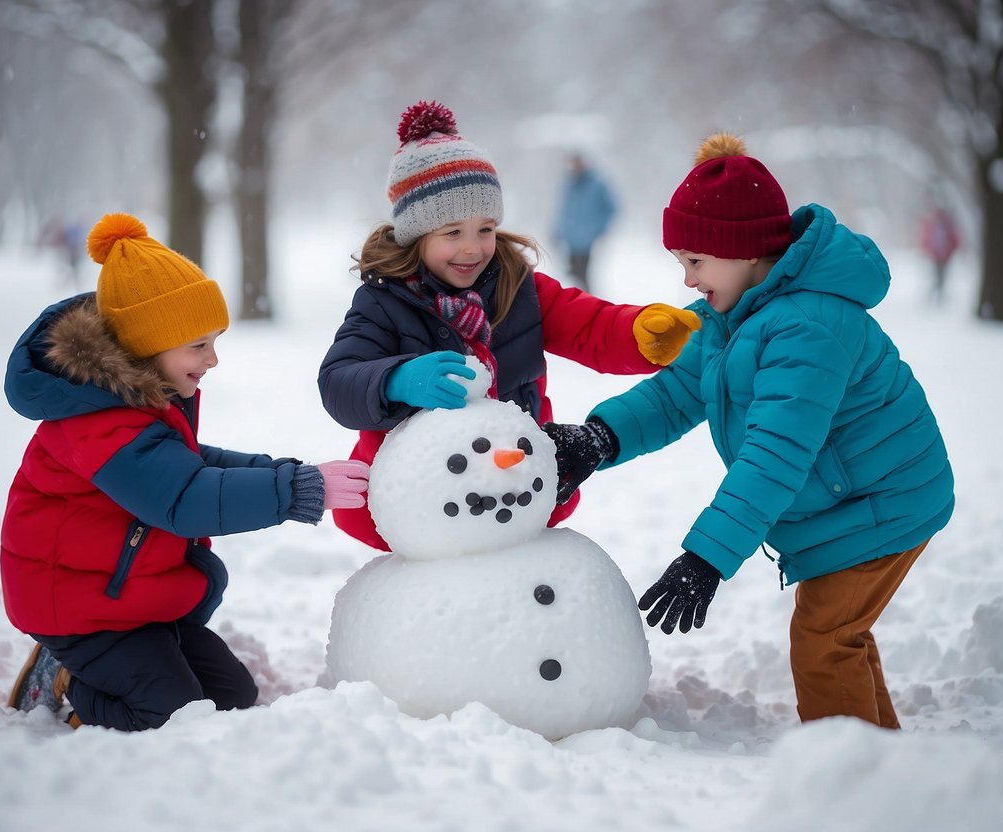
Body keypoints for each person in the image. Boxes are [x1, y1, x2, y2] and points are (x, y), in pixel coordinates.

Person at [545, 134, 954, 729]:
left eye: (694, 262)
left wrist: (706, 558)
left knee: (824, 637)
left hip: (884, 503)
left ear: (742, 253)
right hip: (856, 498)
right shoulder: (730, 317)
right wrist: (600, 438)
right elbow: (674, 393)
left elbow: (774, 456)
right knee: (839, 633)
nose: (686, 281)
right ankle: (876, 759)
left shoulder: (806, 328)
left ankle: (849, 778)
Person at [1, 213, 369, 731]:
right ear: (147, 345)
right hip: (80, 612)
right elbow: (182, 496)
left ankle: (118, 669)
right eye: (198, 345)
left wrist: (295, 474)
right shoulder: (95, 421)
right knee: (165, 713)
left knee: (232, 697)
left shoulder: (142, 399)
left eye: (214, 340)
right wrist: (297, 491)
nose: (213, 359)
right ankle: (71, 679)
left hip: (131, 601)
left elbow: (190, 462)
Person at [318, 100, 701, 552]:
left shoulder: (519, 289)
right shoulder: (383, 302)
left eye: (485, 229)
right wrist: (396, 380)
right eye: (452, 232)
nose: (472, 248)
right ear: (415, 235)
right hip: (420, 492)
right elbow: (338, 381)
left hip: (514, 477)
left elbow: (588, 325)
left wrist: (637, 331)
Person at [553, 152, 617, 291]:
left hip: (587, 240)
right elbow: (564, 210)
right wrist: (557, 231)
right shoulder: (570, 184)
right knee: (573, 276)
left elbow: (612, 209)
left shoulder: (597, 184)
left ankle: (589, 305)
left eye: (578, 161)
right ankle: (580, 305)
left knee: (582, 276)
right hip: (571, 240)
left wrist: (599, 230)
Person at [918, 200, 960, 303]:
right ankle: (933, 296)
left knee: (942, 277)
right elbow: (927, 238)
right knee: (936, 276)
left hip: (945, 256)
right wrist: (927, 249)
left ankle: (939, 297)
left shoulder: (948, 226)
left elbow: (955, 240)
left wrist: (950, 251)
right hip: (936, 255)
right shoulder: (933, 224)